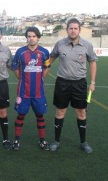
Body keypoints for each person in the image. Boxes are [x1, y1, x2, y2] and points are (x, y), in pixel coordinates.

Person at [49, 18, 97, 154]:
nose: (73, 30)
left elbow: (93, 62)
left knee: (81, 113)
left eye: (76, 28)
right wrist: (44, 68)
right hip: (62, 83)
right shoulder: (60, 44)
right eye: (71, 28)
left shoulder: (87, 45)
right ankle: (56, 141)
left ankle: (83, 142)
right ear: (67, 30)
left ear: (79, 30)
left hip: (79, 84)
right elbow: (51, 58)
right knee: (60, 112)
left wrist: (92, 82)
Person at [12, 26, 51, 151]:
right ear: (26, 38)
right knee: (20, 115)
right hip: (24, 91)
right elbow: (15, 68)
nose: (31, 38)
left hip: (39, 92)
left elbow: (47, 66)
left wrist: (42, 78)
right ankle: (17, 141)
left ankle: (42, 141)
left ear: (38, 37)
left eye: (34, 36)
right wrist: (21, 78)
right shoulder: (20, 52)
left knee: (40, 116)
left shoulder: (44, 52)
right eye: (29, 36)